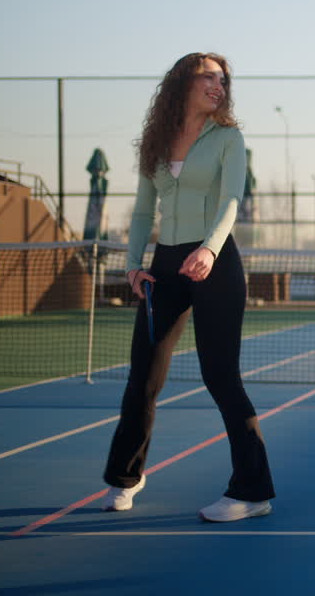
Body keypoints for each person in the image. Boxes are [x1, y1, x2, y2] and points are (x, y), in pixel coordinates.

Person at [100, 52, 276, 523]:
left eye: (224, 79)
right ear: (183, 82)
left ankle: (252, 490)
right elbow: (142, 211)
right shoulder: (155, 142)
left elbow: (231, 199)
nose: (219, 85)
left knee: (221, 378)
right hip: (164, 265)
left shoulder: (228, 138)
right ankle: (126, 476)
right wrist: (134, 265)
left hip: (214, 263)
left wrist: (210, 250)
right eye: (208, 76)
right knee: (144, 378)